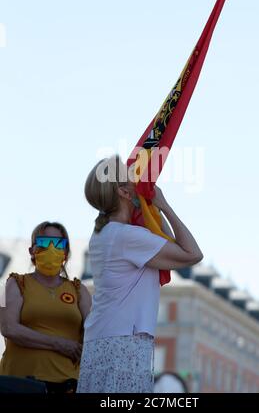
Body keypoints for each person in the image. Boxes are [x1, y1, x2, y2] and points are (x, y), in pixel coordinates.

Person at [77, 155, 203, 393]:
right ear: (124, 193)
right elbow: (192, 254)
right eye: (131, 177)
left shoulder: (106, 234)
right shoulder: (127, 237)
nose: (139, 179)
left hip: (104, 339)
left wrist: (149, 207)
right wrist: (163, 205)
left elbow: (170, 245)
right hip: (124, 341)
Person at [0, 221, 91, 393]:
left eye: (58, 243)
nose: (51, 248)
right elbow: (8, 328)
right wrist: (58, 344)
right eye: (43, 242)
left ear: (65, 252)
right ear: (31, 251)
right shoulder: (13, 283)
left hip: (68, 384)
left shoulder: (80, 290)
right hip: (19, 384)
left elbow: (94, 334)